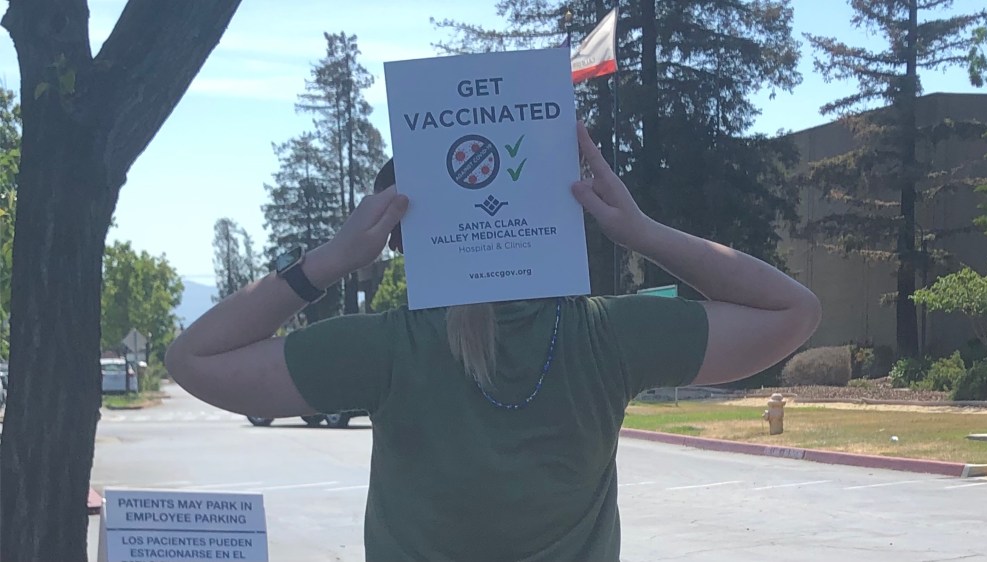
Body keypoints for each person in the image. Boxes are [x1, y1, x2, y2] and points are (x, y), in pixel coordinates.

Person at [166, 121, 821, 561]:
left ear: (395, 238)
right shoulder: (608, 334)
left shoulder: (386, 348)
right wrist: (643, 232)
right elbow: (793, 311)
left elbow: (195, 358)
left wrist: (329, 261)